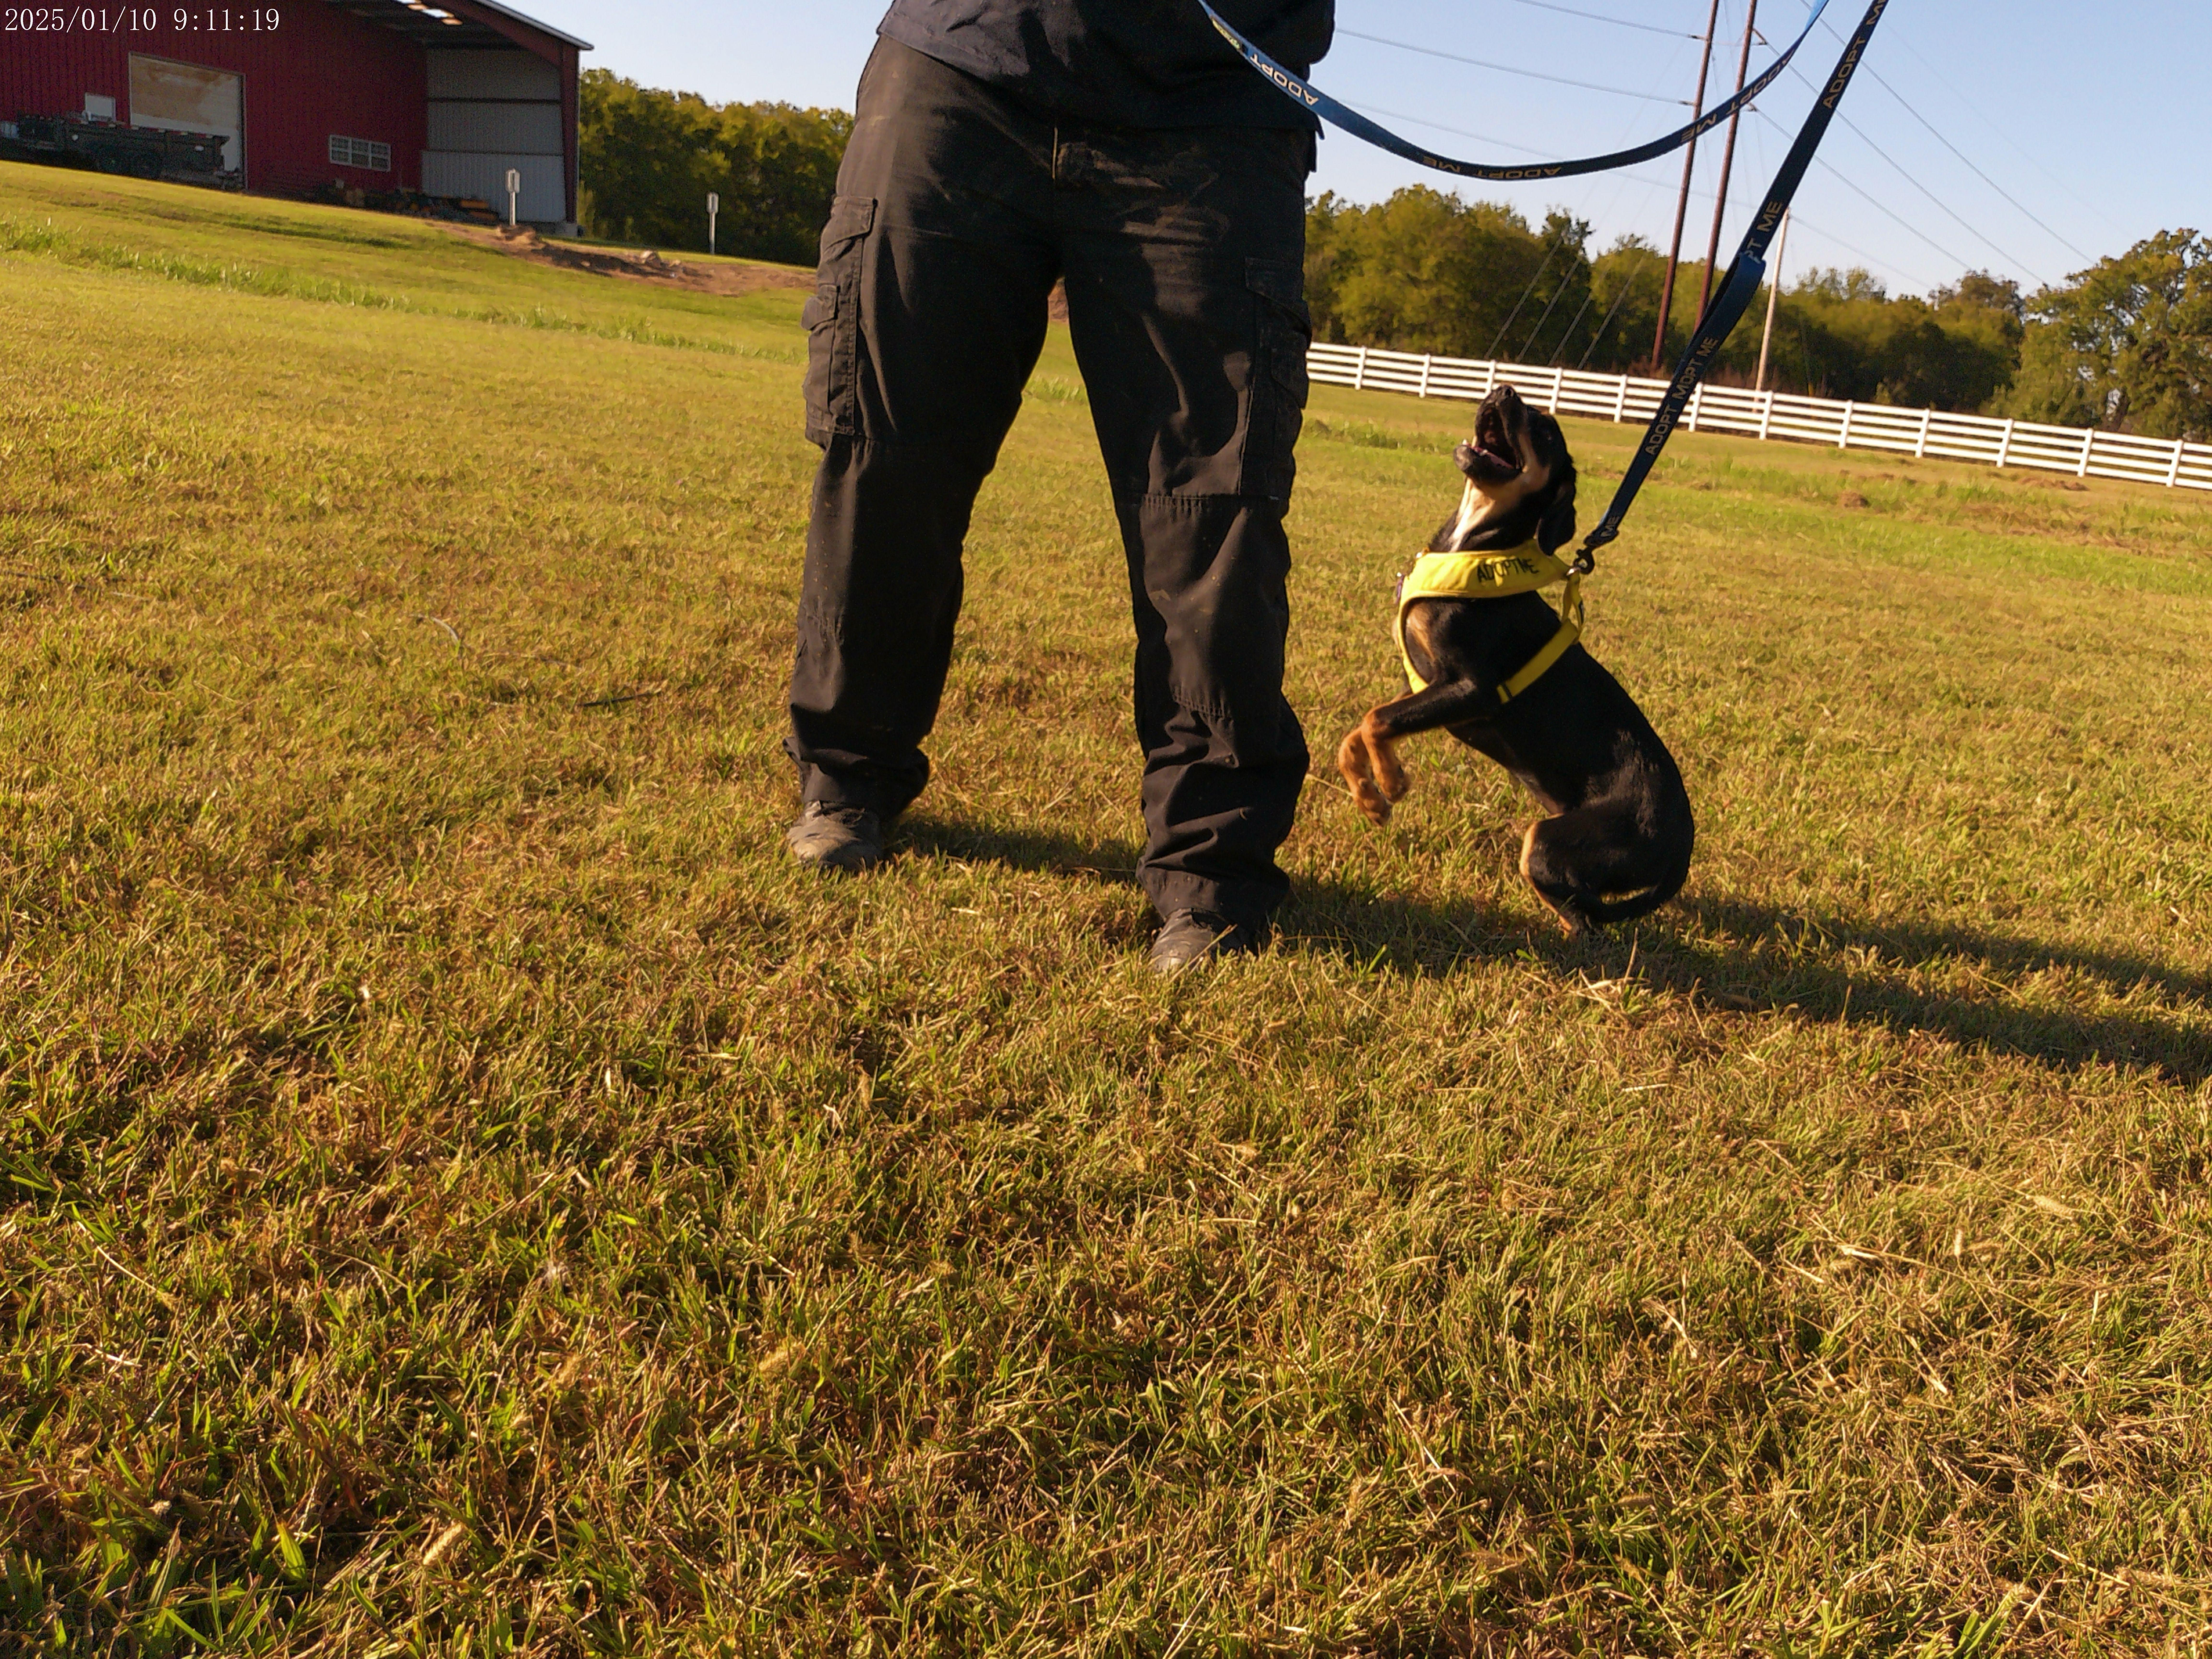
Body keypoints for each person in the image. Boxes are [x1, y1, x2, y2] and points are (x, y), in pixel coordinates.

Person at [782, 0, 1333, 972]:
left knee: (1211, 513)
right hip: (961, 67)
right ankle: (847, 778)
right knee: (887, 452)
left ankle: (1211, 874)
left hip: (1215, 106)